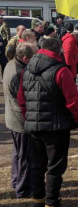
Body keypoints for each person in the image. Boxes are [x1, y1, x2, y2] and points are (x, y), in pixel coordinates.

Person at [17, 38, 78, 207]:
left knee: (37, 165)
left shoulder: (27, 69)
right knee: (55, 166)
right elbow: (72, 99)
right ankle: (51, 205)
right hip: (56, 126)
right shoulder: (61, 70)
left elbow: (21, 99)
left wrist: (29, 118)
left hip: (34, 125)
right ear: (59, 51)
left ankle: (38, 201)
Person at [4, 43, 38, 198]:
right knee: (25, 156)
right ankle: (23, 189)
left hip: (12, 118)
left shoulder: (10, 64)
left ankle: (16, 180)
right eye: (34, 57)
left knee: (18, 153)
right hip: (20, 121)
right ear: (25, 58)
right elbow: (25, 99)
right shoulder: (19, 73)